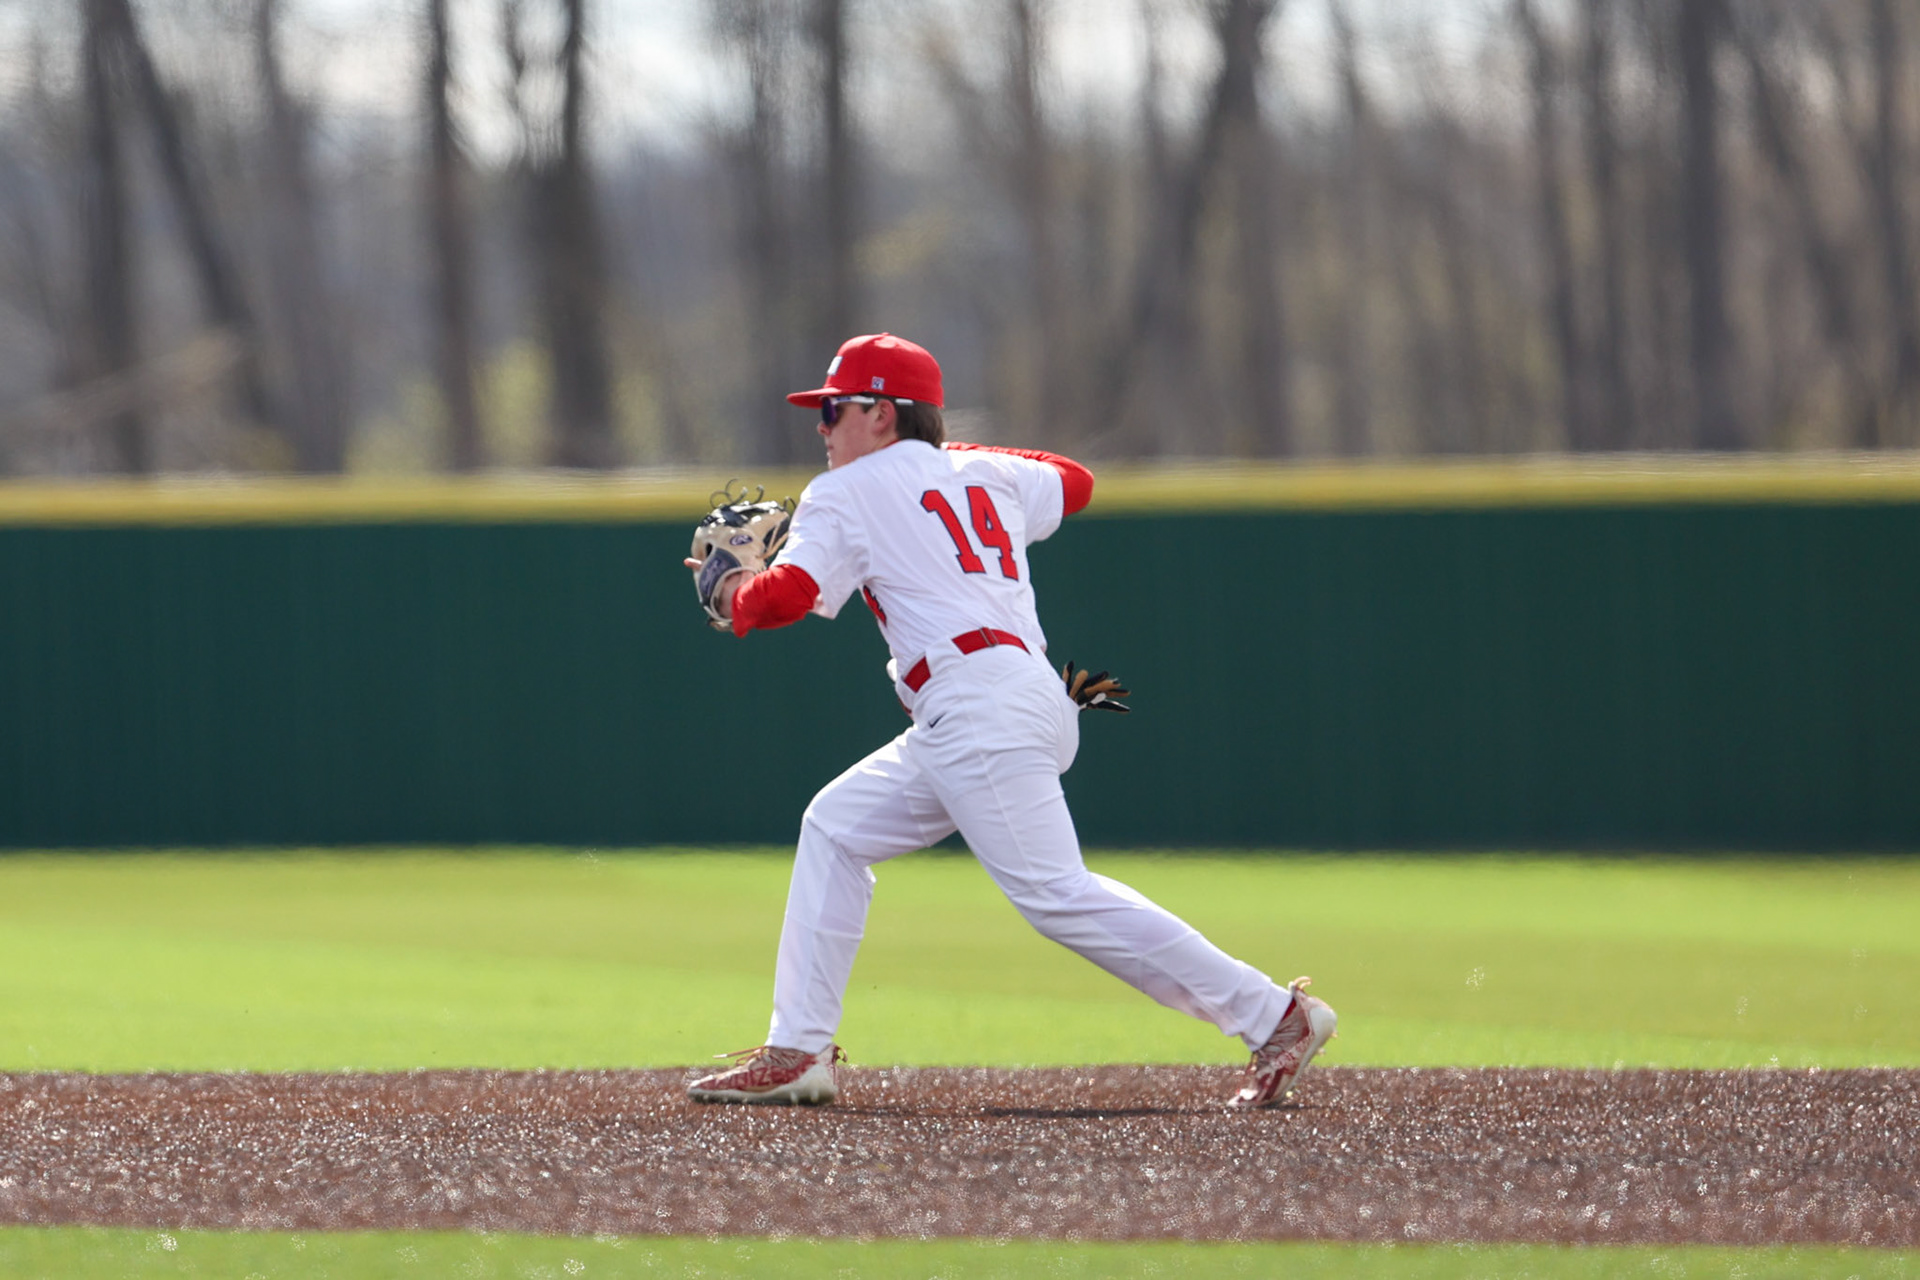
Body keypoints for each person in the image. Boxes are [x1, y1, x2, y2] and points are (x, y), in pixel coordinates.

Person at [684, 333, 1335, 1108]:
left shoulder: (844, 493)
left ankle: (1274, 1015)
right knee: (836, 826)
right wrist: (946, 453)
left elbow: (782, 599)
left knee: (1056, 893)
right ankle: (799, 1049)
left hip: (976, 705)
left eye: (834, 409)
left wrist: (734, 592)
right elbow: (1077, 480)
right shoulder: (983, 469)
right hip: (1015, 696)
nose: (821, 426)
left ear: (881, 415)